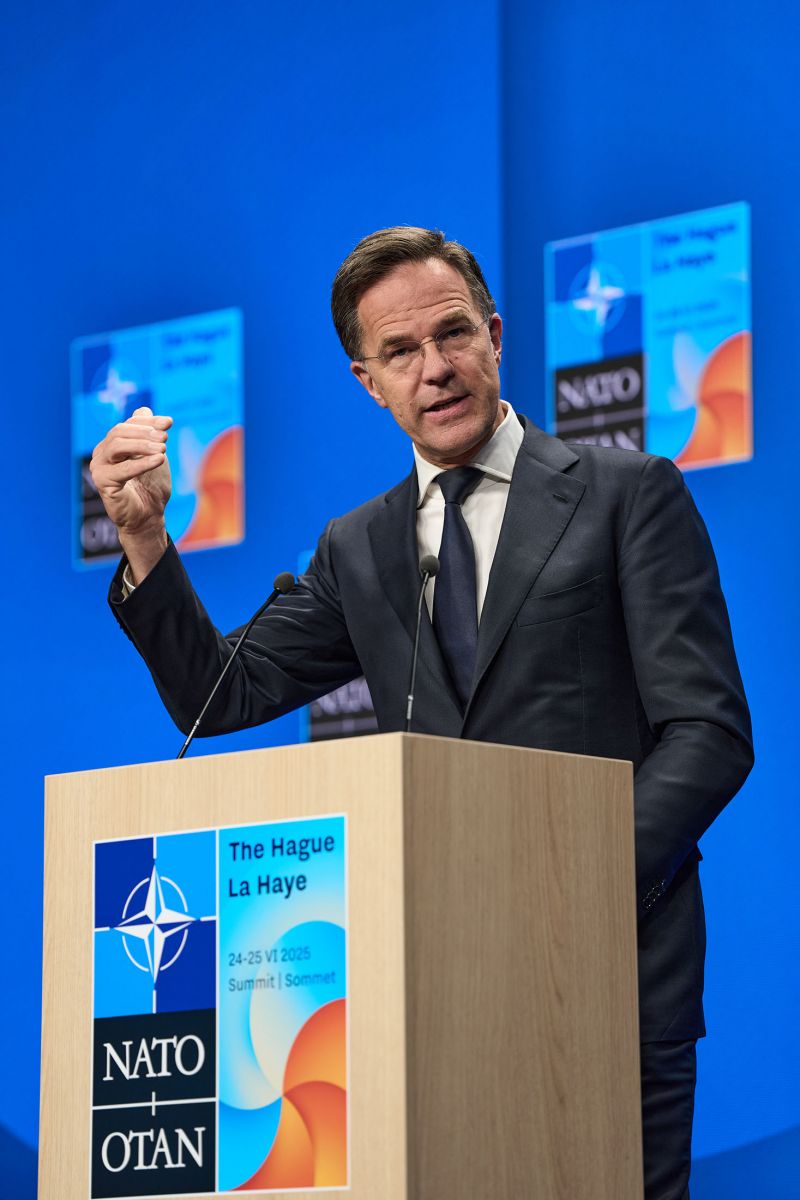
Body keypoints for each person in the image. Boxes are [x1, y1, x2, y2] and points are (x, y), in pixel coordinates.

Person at [91, 226, 753, 1200]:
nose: (434, 368)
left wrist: (567, 890)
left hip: (607, 971)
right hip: (432, 992)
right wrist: (146, 538)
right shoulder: (358, 549)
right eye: (399, 351)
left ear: (494, 336)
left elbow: (706, 732)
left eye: (452, 335)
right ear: (368, 382)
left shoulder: (626, 497)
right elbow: (217, 694)